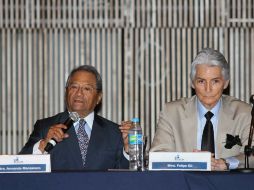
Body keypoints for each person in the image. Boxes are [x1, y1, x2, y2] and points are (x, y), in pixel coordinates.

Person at [150, 48, 253, 170]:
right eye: (201, 81)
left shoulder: (244, 113)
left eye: (215, 81)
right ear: (192, 83)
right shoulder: (172, 113)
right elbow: (157, 157)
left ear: (225, 83)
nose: (208, 89)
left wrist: (227, 163)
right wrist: (193, 161)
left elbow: (252, 156)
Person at [20, 65, 130, 171]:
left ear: (98, 98)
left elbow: (125, 178)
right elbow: (19, 166)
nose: (79, 93)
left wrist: (129, 151)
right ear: (66, 92)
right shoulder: (45, 127)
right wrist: (43, 145)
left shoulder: (115, 132)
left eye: (86, 88)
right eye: (74, 87)